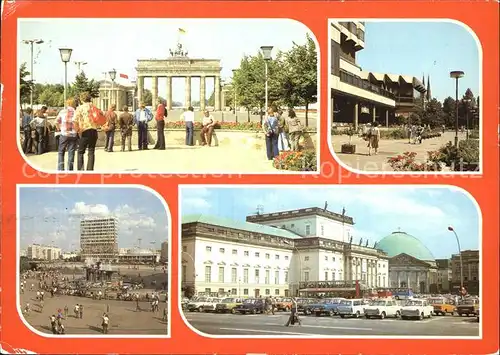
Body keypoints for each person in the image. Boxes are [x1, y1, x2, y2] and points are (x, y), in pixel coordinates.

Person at [75, 92, 101, 170]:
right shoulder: (94, 107)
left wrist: (77, 130)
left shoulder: (80, 108)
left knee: (80, 152)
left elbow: (75, 120)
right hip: (93, 131)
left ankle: (81, 170)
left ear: (82, 99)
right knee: (91, 151)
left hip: (84, 131)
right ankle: (90, 170)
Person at [55, 97, 78, 170]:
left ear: (67, 103)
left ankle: (61, 169)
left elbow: (56, 122)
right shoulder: (76, 112)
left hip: (64, 134)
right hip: (73, 134)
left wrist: (59, 128)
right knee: (71, 153)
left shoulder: (62, 111)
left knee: (61, 152)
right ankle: (70, 170)